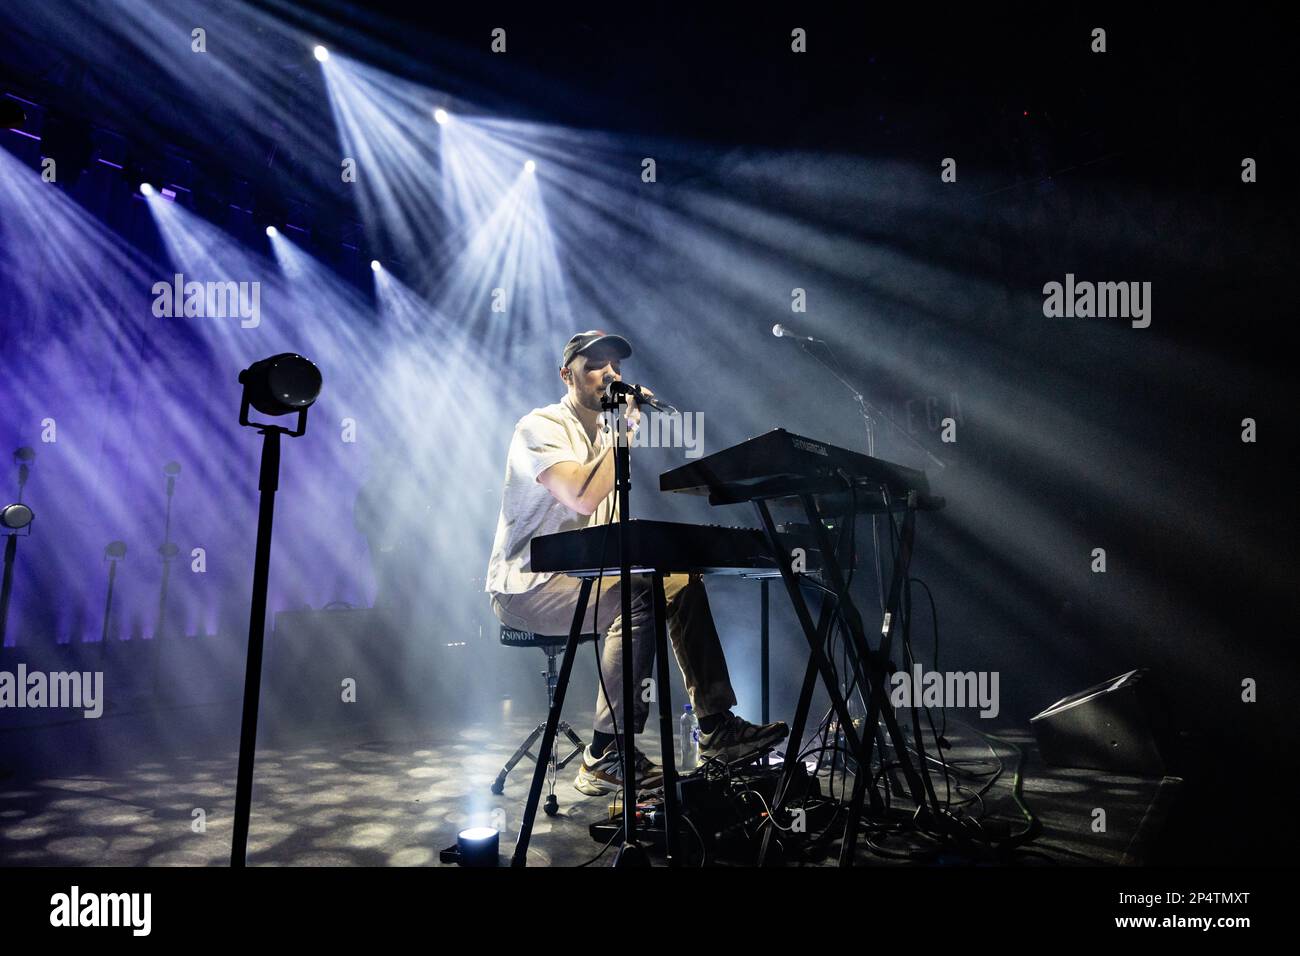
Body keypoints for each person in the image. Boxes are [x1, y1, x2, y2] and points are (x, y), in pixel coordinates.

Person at [485, 330, 788, 795]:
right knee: (639, 594)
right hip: (527, 587)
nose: (610, 373)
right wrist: (623, 433)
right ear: (566, 374)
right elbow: (583, 496)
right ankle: (605, 753)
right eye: (595, 364)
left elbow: (614, 538)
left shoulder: (608, 436)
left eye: (616, 365)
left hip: (582, 579)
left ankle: (716, 727)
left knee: (680, 580)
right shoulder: (539, 428)